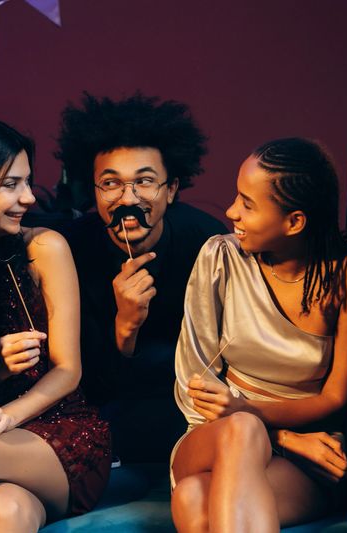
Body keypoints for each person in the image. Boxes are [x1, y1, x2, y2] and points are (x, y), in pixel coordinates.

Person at [0, 114, 111, 532]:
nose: (28, 198)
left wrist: (9, 415)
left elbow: (68, 371)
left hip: (62, 435)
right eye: (11, 185)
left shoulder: (43, 247)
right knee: (9, 509)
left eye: (28, 182)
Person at [171, 137, 347, 531]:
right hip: (214, 434)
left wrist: (268, 426)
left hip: (306, 452)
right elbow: (196, 390)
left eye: (247, 204)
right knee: (241, 430)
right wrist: (278, 435)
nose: (230, 212)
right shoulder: (219, 258)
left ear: (294, 221)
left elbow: (334, 397)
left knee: (195, 501)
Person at [55, 92, 227, 463]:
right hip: (107, 414)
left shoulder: (208, 243)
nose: (128, 199)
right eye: (111, 184)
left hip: (191, 411)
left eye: (145, 181)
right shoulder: (69, 251)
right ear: (95, 190)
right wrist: (125, 327)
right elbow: (83, 384)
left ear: (172, 189)